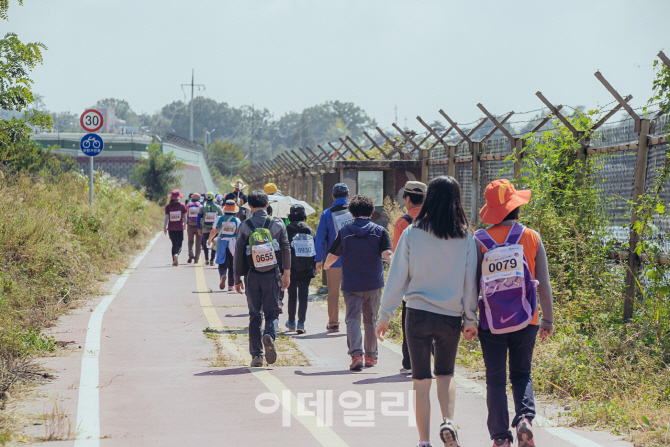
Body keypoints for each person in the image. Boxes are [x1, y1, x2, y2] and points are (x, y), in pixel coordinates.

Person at [376, 176, 478, 447]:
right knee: (446, 374)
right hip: (450, 316)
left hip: (417, 313)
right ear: (457, 200)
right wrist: (470, 318)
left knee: (421, 381)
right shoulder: (466, 238)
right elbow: (470, 284)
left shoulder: (412, 232)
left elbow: (398, 276)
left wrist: (385, 314)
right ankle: (448, 421)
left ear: (429, 198)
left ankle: (424, 441)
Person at [475, 179, 554, 447]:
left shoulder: (478, 240)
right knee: (522, 374)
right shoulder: (531, 237)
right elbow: (543, 282)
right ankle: (525, 419)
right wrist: (547, 319)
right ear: (516, 207)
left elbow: (470, 284)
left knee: (495, 379)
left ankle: (500, 437)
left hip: (491, 322)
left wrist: (467, 319)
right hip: (526, 319)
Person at [324, 195, 392, 371]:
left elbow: (333, 255)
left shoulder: (345, 232)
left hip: (352, 284)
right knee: (371, 320)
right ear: (371, 211)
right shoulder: (380, 231)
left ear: (351, 212)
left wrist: (326, 266)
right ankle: (370, 356)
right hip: (373, 284)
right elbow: (388, 254)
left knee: (352, 319)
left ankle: (356, 355)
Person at [234, 190, 291, 367]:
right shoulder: (278, 223)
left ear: (249, 206)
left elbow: (238, 254)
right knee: (272, 312)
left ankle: (257, 355)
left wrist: (237, 278)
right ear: (268, 205)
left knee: (254, 315)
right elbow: (286, 248)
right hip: (273, 274)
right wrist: (287, 273)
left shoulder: (245, 225)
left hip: (252, 275)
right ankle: (270, 334)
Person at [392, 180, 427, 376]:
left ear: (407, 198)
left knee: (409, 322)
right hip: (434, 278)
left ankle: (408, 361)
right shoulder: (435, 219)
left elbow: (398, 255)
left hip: (411, 282)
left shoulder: (402, 222)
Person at [315, 183, 351, 333]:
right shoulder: (354, 212)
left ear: (333, 196)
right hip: (353, 260)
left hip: (333, 260)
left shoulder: (327, 214)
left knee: (333, 293)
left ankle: (333, 323)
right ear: (348, 196)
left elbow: (320, 238)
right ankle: (353, 323)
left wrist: (318, 259)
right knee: (352, 293)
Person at [285, 204, 316, 334]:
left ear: (290, 216)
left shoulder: (287, 229)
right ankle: (301, 323)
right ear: (304, 216)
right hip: (306, 268)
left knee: (292, 295)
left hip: (291, 268)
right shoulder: (309, 230)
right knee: (303, 296)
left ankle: (291, 322)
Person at [208, 200, 240, 291]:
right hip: (233, 245)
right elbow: (239, 232)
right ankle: (231, 285)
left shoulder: (219, 218)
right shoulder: (236, 220)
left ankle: (223, 275)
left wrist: (209, 240)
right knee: (232, 265)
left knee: (222, 263)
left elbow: (214, 231)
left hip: (221, 244)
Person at [197, 192, 223, 266]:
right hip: (215, 229)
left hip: (205, 228)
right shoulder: (217, 207)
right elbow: (222, 217)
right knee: (214, 244)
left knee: (205, 243)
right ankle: (212, 260)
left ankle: (206, 259)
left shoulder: (202, 207)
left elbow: (198, 218)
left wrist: (199, 228)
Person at [164, 189, 187, 266]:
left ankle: (174, 261)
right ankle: (176, 255)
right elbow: (185, 217)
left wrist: (164, 227)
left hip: (171, 229)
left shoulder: (168, 207)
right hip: (179, 228)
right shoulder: (182, 206)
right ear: (178, 197)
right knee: (179, 245)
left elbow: (166, 218)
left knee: (174, 244)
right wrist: (185, 224)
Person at [186, 192, 203, 263]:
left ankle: (190, 254)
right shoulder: (201, 206)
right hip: (199, 226)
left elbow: (186, 214)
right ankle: (196, 258)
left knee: (190, 241)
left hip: (190, 226)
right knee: (198, 243)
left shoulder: (188, 205)